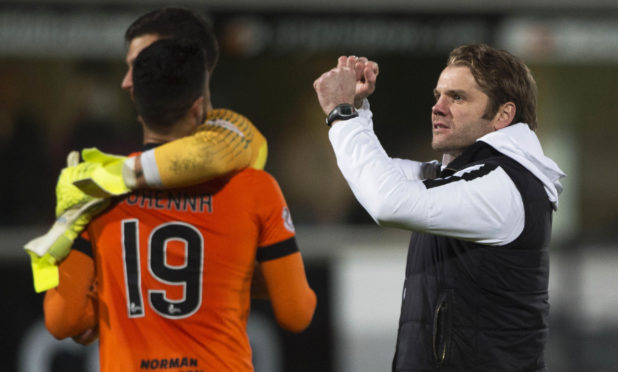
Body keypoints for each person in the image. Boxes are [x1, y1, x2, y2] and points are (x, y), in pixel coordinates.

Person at [44, 39, 316, 372]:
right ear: (199, 107)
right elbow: (297, 312)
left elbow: (61, 320)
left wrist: (105, 301)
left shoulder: (95, 189)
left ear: (136, 102)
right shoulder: (255, 188)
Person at [313, 44, 565, 371]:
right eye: (438, 95)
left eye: (457, 97)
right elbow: (376, 177)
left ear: (504, 115)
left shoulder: (502, 185)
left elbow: (388, 201)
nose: (438, 107)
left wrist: (341, 113)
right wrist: (359, 109)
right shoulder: (467, 177)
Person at [25, 8, 268, 292]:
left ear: (186, 65)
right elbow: (65, 316)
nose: (127, 81)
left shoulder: (233, 133)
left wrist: (106, 178)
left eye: (141, 65)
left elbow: (209, 156)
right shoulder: (108, 140)